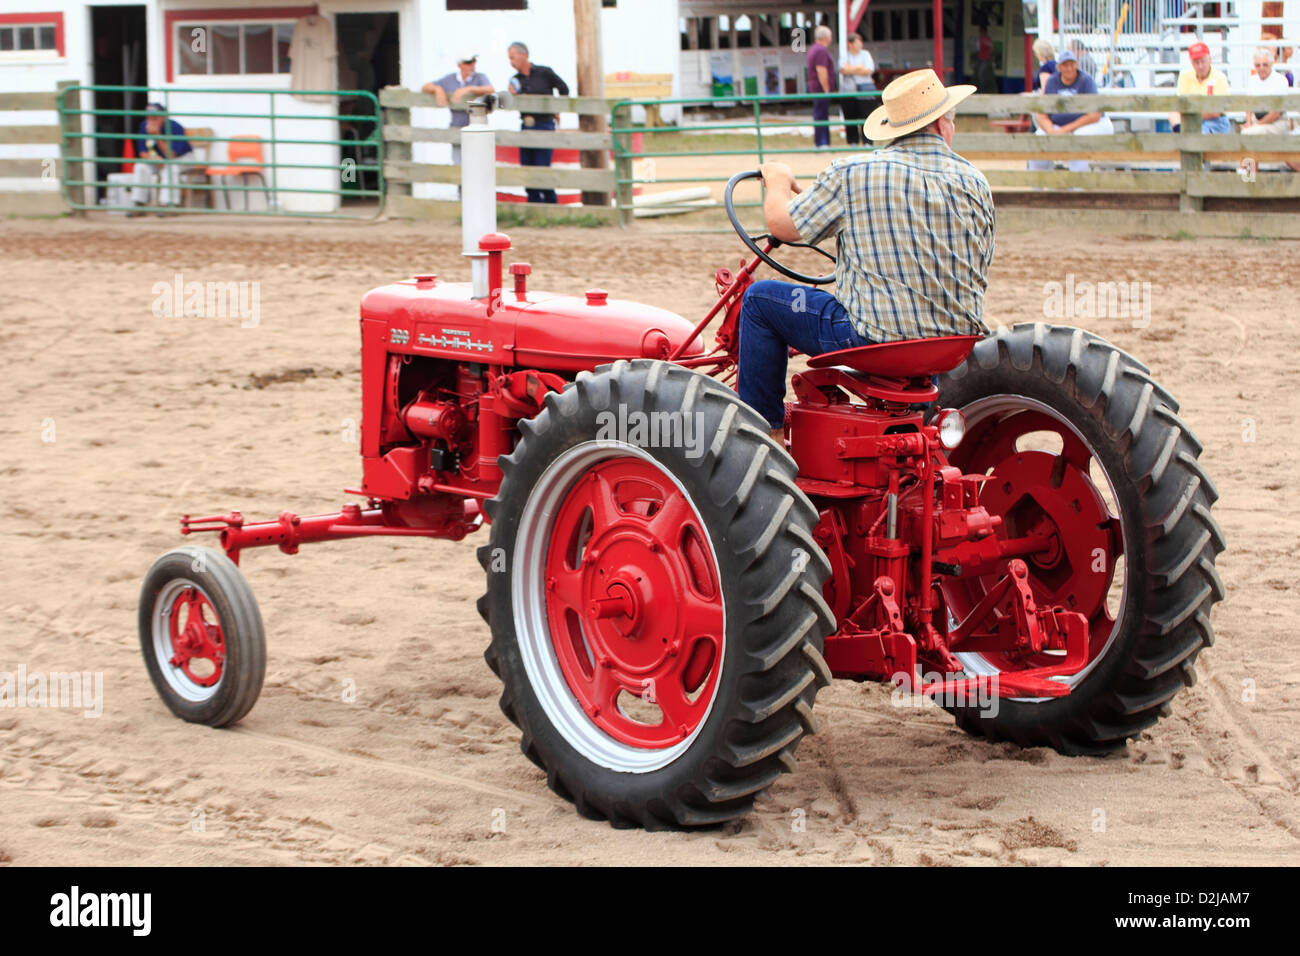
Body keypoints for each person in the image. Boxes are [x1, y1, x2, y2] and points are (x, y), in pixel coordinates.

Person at [739, 69, 995, 439]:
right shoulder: (976, 181)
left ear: (892, 129)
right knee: (921, 321)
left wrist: (778, 182)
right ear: (942, 125)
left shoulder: (854, 174)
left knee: (760, 300)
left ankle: (765, 436)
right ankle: (915, 425)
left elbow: (781, 224)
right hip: (951, 344)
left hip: (874, 339)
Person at [1029, 50, 1113, 172]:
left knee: (1078, 140)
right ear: (1059, 67)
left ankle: (1077, 187)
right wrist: (1051, 130)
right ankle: (1036, 188)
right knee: (1038, 141)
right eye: (1065, 65)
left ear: (1076, 64)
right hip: (1058, 126)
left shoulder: (1086, 80)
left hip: (1090, 124)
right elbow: (1042, 114)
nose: (1069, 68)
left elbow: (1095, 114)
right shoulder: (1052, 82)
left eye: (1072, 64)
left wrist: (1066, 129)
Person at [507, 41, 569, 203]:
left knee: (543, 166)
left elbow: (564, 89)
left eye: (513, 57)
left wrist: (557, 109)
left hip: (545, 124)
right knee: (527, 166)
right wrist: (511, 96)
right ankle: (533, 204)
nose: (511, 62)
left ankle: (550, 203)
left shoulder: (544, 73)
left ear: (524, 55)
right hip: (526, 124)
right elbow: (509, 104)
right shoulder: (515, 80)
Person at [422, 53, 493, 165]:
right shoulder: (450, 79)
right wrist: (438, 89)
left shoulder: (480, 77)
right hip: (457, 128)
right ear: (460, 65)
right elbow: (425, 86)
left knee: (478, 165)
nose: (472, 65)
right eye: (469, 62)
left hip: (477, 129)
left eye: (474, 61)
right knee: (459, 165)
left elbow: (490, 89)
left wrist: (468, 89)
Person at [130, 103, 192, 216]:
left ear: (163, 117)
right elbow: (142, 152)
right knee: (140, 166)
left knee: (170, 167)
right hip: (159, 160)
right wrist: (153, 159)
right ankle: (139, 204)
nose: (151, 120)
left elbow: (171, 155)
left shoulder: (175, 127)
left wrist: (157, 134)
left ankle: (169, 205)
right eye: (149, 117)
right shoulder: (144, 126)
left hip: (182, 158)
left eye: (155, 117)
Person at [1170, 41, 1231, 133]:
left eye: (1203, 61)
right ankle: (1180, 132)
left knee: (1196, 135)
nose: (1200, 66)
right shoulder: (1184, 76)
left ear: (1209, 59)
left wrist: (1189, 115)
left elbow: (1216, 112)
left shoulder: (1220, 77)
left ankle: (1182, 135)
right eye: (1196, 62)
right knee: (1173, 113)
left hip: (1215, 121)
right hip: (1191, 118)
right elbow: (1180, 105)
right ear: (1191, 63)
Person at [1243, 47, 1291, 135]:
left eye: (1265, 64)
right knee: (1247, 132)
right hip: (1257, 120)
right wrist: (1249, 123)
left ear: (1271, 64)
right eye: (1258, 65)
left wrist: (1256, 126)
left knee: (1250, 133)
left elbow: (1276, 113)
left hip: (1277, 122)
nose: (1261, 68)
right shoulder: (1252, 80)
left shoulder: (1280, 80)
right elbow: (1248, 107)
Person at [839, 32, 876, 146]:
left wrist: (851, 69)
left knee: (866, 115)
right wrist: (859, 68)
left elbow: (869, 70)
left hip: (865, 90)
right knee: (850, 116)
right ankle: (853, 141)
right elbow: (842, 69)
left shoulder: (865, 54)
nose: (860, 44)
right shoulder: (844, 55)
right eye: (857, 41)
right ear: (850, 44)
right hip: (849, 91)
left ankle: (867, 141)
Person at [807, 25, 838, 148]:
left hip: (816, 87)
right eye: (830, 36)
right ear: (826, 37)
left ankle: (821, 141)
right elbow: (821, 70)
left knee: (820, 114)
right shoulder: (821, 50)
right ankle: (822, 142)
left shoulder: (814, 49)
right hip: (820, 89)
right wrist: (826, 89)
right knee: (821, 114)